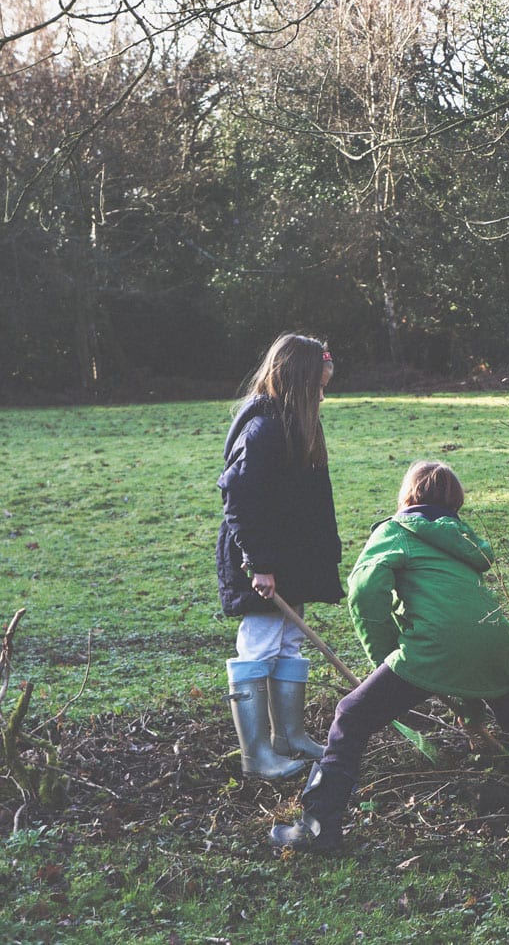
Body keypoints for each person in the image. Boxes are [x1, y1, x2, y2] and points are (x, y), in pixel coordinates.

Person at [271, 459, 509, 852]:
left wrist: (388, 657)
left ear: (407, 496)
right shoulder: (462, 542)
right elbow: (462, 620)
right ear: (454, 504)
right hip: (496, 644)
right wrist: (472, 709)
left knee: (351, 716)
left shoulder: (395, 530)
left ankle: (318, 826)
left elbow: (364, 590)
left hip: (433, 649)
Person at [216, 333, 344, 781]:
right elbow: (239, 498)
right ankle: (257, 756)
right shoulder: (264, 428)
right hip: (265, 562)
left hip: (293, 559)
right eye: (319, 386)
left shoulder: (297, 422)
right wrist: (260, 563)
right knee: (261, 643)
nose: (324, 395)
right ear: (298, 381)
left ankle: (288, 737)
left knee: (289, 642)